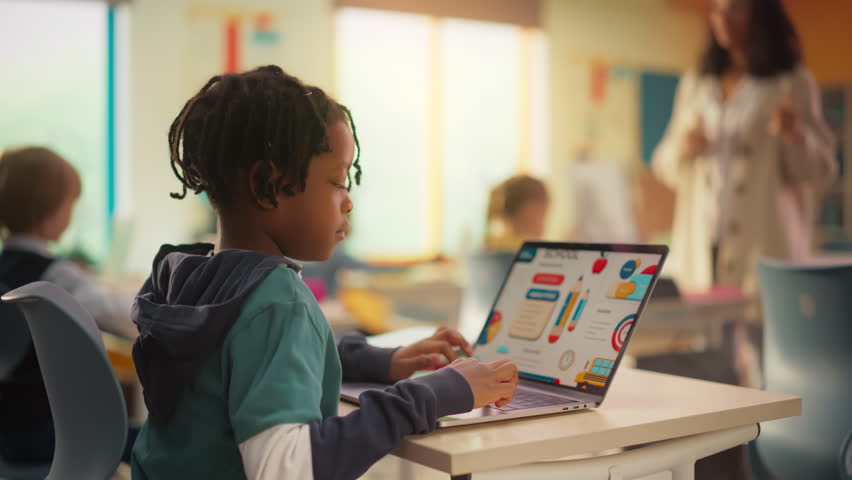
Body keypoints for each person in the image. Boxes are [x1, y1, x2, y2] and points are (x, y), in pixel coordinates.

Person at [129, 65, 519, 479]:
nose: (348, 201)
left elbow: (247, 365)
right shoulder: (276, 301)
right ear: (267, 185)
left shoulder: (193, 277)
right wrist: (433, 393)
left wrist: (381, 362)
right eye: (336, 182)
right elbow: (287, 468)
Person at [652, 0, 837, 294]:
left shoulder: (791, 82)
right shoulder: (696, 84)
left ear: (761, 14)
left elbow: (823, 171)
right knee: (707, 337)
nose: (723, 18)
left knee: (758, 334)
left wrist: (796, 135)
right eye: (717, 9)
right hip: (703, 247)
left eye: (736, 8)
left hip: (764, 246)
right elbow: (663, 165)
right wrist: (683, 147)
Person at [0, 146, 137, 464]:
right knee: (153, 439)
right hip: (48, 437)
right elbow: (126, 317)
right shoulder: (55, 276)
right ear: (52, 211)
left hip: (7, 435)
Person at [484, 175, 550, 252]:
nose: (544, 223)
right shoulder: (532, 252)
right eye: (544, 214)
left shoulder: (488, 247)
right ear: (528, 211)